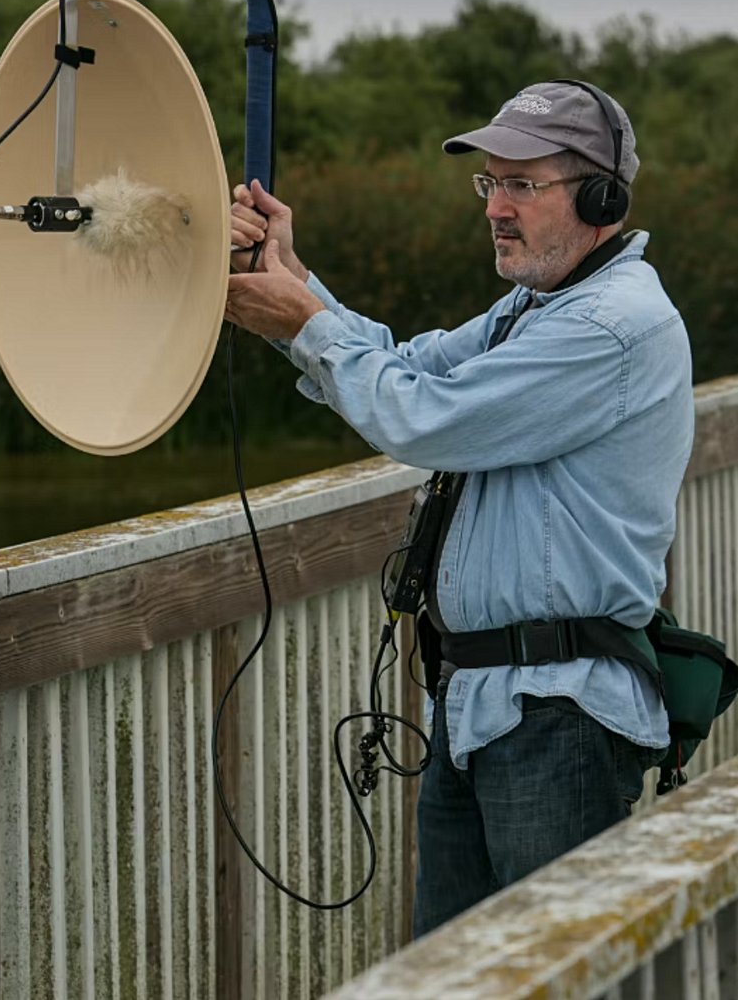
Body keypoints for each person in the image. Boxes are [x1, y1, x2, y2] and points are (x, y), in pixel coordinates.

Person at [225, 80, 694, 936]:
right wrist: (290, 283)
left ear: (599, 198)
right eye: (490, 184)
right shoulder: (537, 308)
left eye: (523, 184)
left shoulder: (610, 325)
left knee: (546, 973)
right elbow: (410, 366)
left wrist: (298, 325)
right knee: (458, 973)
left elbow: (423, 417)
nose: (496, 208)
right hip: (484, 705)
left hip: (557, 715)